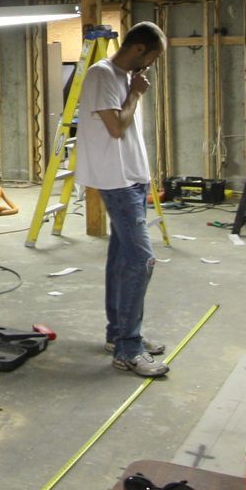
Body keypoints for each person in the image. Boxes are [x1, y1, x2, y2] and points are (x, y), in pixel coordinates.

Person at [76, 21, 169, 377]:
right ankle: (128, 350)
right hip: (116, 182)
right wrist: (135, 94)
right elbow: (116, 128)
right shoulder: (103, 76)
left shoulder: (123, 79)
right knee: (141, 261)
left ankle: (118, 336)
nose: (152, 65)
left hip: (132, 180)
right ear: (139, 50)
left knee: (121, 258)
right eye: (154, 57)